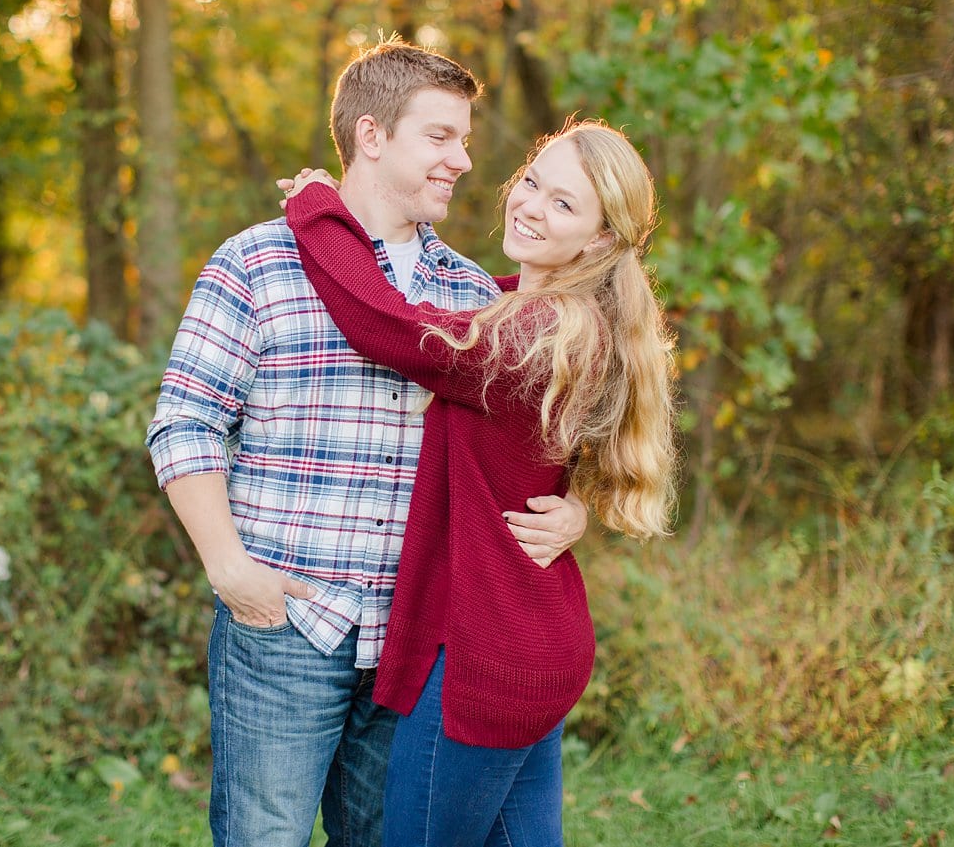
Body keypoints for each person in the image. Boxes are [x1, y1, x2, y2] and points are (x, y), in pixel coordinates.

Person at [144, 40, 590, 847]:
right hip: (286, 621)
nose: (462, 159)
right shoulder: (256, 262)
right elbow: (185, 420)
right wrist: (230, 567)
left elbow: (560, 418)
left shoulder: (472, 292)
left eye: (463, 137)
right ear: (372, 135)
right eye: (440, 137)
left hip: (417, 640)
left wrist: (579, 506)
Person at [279, 118, 677, 847]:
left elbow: (384, 322)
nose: (529, 205)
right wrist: (578, 505)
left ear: (596, 241)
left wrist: (315, 205)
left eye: (564, 205)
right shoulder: (557, 320)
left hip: (485, 654)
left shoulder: (525, 340)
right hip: (531, 637)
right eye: (532, 182)